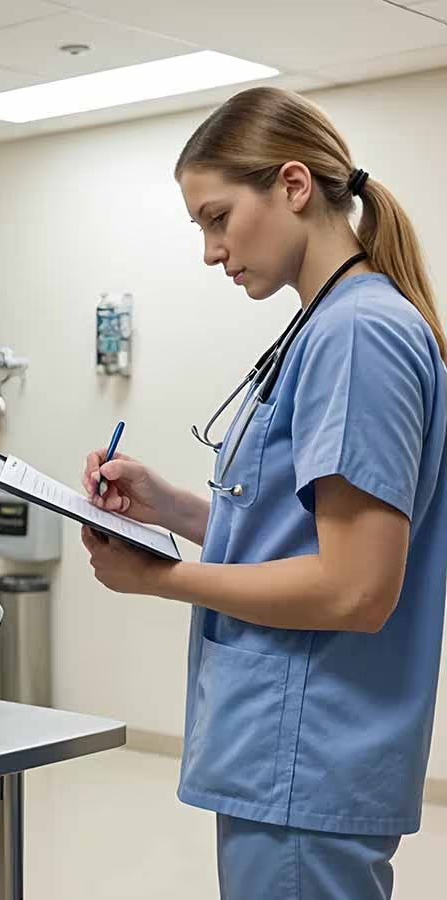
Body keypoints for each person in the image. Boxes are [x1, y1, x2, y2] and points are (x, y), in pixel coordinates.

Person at [80, 86, 447, 900]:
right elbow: (307, 537)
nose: (212, 251)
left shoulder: (358, 335)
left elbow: (356, 589)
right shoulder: (334, 325)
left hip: (306, 754)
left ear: (292, 185)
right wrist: (170, 509)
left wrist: (159, 578)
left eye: (216, 218)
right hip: (295, 753)